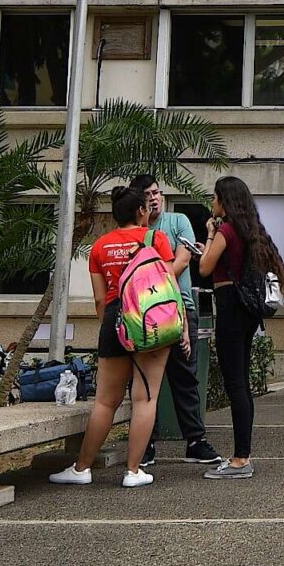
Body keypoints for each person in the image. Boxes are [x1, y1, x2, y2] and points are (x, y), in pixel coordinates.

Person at [51, 184, 188, 489]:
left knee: (105, 401)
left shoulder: (101, 246)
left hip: (115, 317)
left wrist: (111, 325)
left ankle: (82, 468)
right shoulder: (156, 238)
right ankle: (133, 471)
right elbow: (168, 286)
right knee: (145, 396)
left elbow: (100, 299)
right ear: (141, 211)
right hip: (151, 319)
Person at [196, 174, 284, 477]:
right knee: (242, 383)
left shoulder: (226, 229)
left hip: (230, 306)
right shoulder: (252, 231)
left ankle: (240, 459)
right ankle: (242, 454)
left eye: (215, 197)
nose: (212, 203)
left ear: (224, 200)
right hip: (248, 312)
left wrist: (210, 235)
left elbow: (205, 267)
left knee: (235, 383)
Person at [128, 171, 221, 469]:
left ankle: (195, 441)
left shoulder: (178, 221)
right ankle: (146, 445)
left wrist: (149, 277)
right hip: (142, 314)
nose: (154, 198)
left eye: (156, 192)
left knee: (185, 376)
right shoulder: (135, 230)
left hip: (181, 307)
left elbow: (182, 261)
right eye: (147, 195)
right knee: (145, 381)